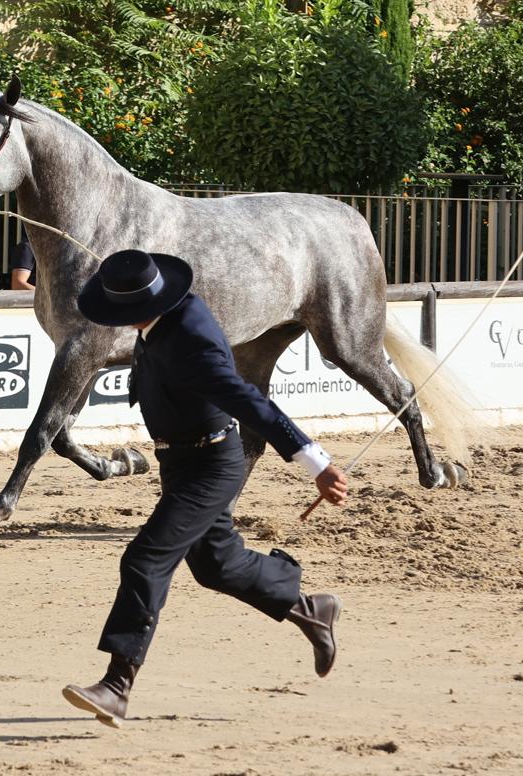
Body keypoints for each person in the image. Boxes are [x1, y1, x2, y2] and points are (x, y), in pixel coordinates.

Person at [63, 248, 348, 728]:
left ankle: (116, 685)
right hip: (179, 459)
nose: (122, 322)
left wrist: (314, 460)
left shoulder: (191, 337)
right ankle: (310, 609)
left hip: (210, 464)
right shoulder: (167, 315)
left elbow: (247, 399)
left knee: (145, 558)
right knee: (217, 565)